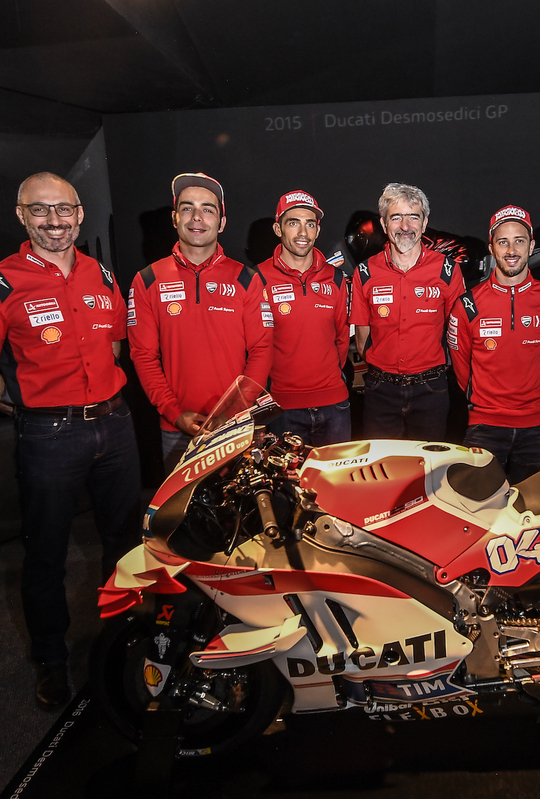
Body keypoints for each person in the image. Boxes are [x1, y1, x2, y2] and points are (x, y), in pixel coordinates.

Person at [0, 172, 141, 709]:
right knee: (47, 555)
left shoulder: (101, 274)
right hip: (49, 435)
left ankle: (122, 644)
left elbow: (115, 346)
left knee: (123, 544)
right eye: (40, 210)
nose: (54, 220)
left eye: (64, 209)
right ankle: (51, 661)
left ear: (79, 215)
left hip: (114, 425)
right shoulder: (5, 281)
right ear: (22, 215)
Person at [128, 173, 273, 472]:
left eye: (208, 209)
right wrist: (174, 413)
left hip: (236, 426)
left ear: (221, 222)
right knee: (182, 506)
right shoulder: (147, 279)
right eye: (187, 208)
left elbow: (262, 350)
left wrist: (233, 412)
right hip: (177, 430)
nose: (197, 217)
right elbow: (143, 356)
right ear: (175, 218)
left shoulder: (246, 279)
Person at [448, 206, 540, 482]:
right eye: (503, 242)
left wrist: (538, 385)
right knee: (479, 502)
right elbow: (461, 365)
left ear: (531, 246)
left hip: (537, 427)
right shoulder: (468, 304)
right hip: (484, 426)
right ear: (491, 248)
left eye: (519, 241)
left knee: (534, 502)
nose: (511, 250)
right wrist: (483, 397)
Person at [349, 183, 465, 440]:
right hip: (380, 391)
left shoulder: (447, 270)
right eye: (396, 217)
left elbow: (459, 334)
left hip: (431, 390)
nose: (405, 226)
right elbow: (362, 338)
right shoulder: (365, 272)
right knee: (382, 461)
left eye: (413, 217)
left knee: (429, 462)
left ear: (424, 223)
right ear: (383, 223)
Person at [257, 191, 350, 445]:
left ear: (317, 231)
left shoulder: (336, 277)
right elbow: (254, 347)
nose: (302, 232)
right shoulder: (258, 278)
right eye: (293, 223)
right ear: (278, 229)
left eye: (310, 224)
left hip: (335, 406)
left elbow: (342, 338)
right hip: (282, 410)